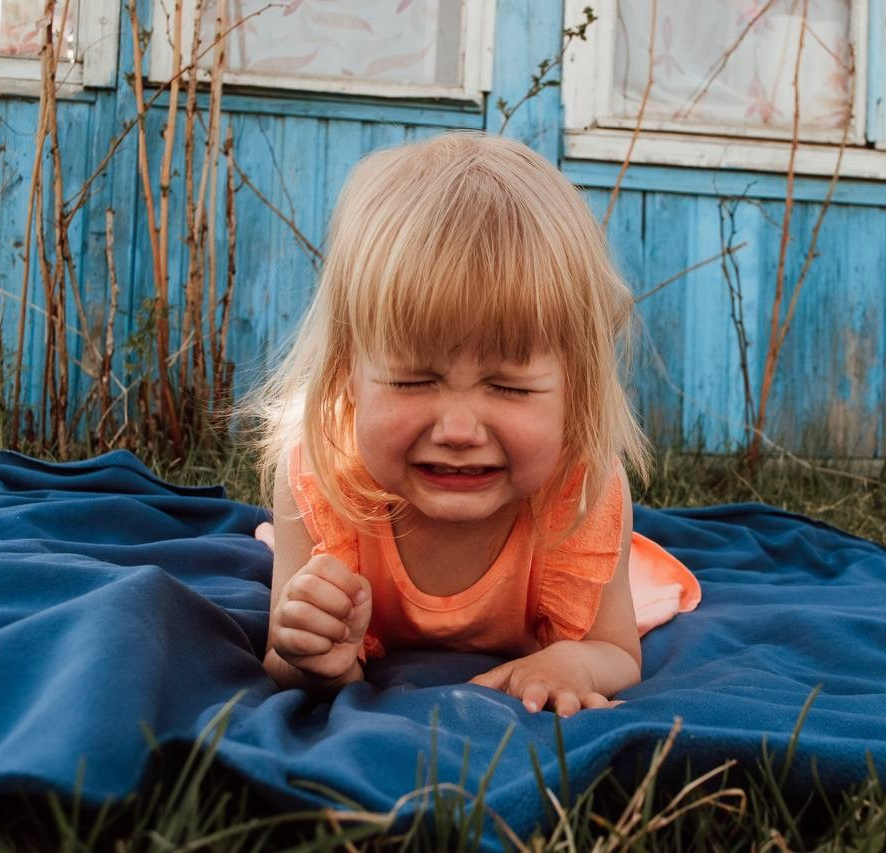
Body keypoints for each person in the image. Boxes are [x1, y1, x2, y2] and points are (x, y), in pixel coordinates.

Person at [251, 131, 699, 717]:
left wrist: (571, 662)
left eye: (509, 387)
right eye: (413, 380)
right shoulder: (318, 483)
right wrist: (313, 653)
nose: (459, 430)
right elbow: (284, 664)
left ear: (577, 392)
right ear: (347, 376)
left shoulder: (582, 495)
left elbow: (615, 650)